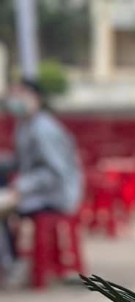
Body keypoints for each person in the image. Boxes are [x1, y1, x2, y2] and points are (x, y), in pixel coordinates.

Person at [0, 77, 85, 286]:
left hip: (56, 194)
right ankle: (11, 259)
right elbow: (22, 162)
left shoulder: (45, 129)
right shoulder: (25, 124)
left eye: (19, 94)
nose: (13, 100)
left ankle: (10, 264)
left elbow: (55, 173)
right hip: (36, 189)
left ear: (34, 98)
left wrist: (21, 187)